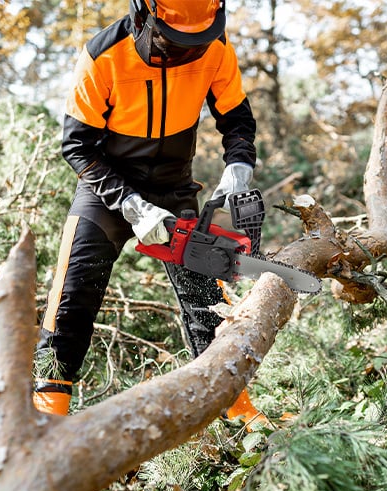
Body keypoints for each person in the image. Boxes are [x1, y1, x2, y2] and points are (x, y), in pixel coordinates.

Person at [33, 0, 266, 427]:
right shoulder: (103, 54)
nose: (184, 53)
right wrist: (132, 205)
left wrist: (240, 162)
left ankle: (235, 411)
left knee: (206, 302)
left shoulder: (215, 45)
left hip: (174, 187)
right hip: (106, 188)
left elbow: (237, 120)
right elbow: (76, 146)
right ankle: (46, 419)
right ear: (143, 17)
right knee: (72, 297)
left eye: (194, 44)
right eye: (173, 43)